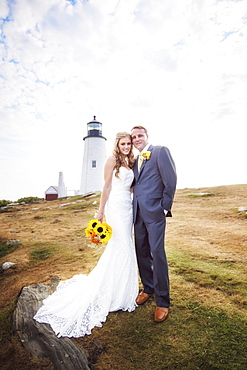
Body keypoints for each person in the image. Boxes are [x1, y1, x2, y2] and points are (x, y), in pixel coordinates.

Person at [34, 132, 139, 337]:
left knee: (126, 244)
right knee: (122, 245)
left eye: (128, 143)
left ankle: (123, 288)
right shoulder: (112, 160)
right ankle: (114, 292)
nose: (126, 146)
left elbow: (132, 186)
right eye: (123, 143)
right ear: (117, 145)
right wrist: (100, 212)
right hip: (115, 206)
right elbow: (106, 186)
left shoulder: (131, 161)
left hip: (128, 207)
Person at [131, 126, 177, 323]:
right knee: (141, 251)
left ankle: (163, 301)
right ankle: (148, 288)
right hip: (138, 213)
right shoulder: (135, 161)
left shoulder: (160, 151)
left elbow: (171, 180)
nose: (136, 139)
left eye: (139, 135)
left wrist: (164, 208)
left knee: (157, 253)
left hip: (155, 212)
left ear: (147, 136)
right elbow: (137, 184)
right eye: (133, 137)